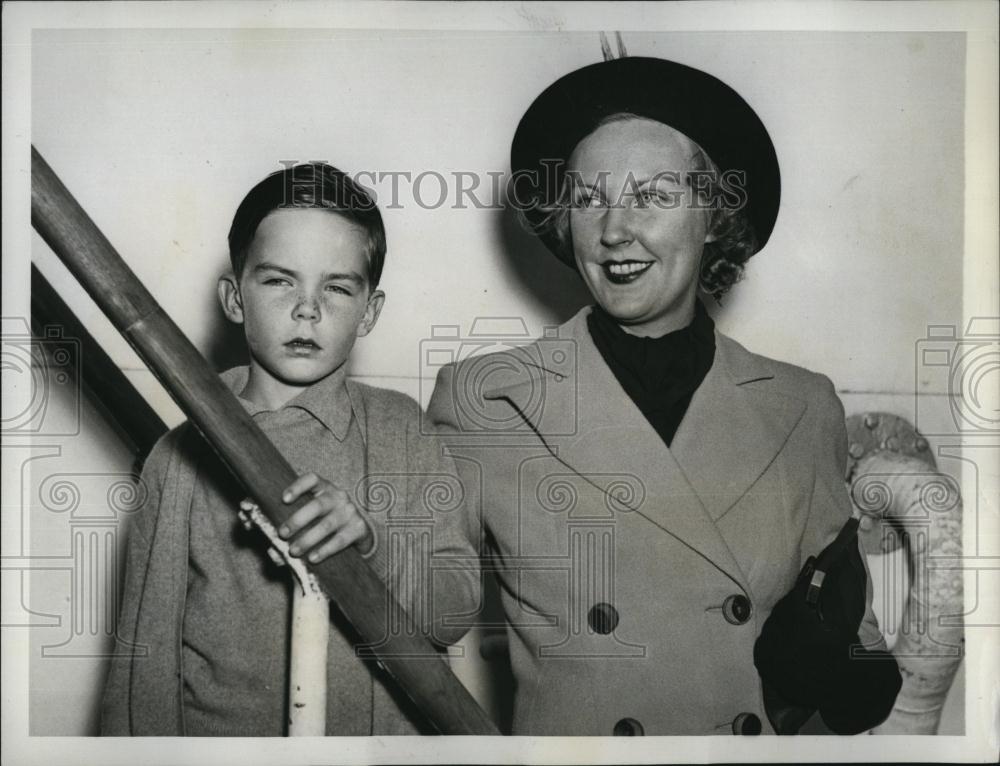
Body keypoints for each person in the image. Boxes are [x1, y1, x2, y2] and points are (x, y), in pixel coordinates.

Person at [427, 56, 899, 735]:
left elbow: (851, 638)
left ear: (713, 215)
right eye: (589, 199)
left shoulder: (802, 406)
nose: (614, 229)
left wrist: (849, 667)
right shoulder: (487, 399)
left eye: (650, 196)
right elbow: (421, 606)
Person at [101, 162, 479, 736]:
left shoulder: (402, 429)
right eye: (280, 280)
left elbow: (454, 611)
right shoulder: (178, 456)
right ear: (234, 298)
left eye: (337, 286)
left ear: (370, 311)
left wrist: (370, 548)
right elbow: (143, 663)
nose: (308, 308)